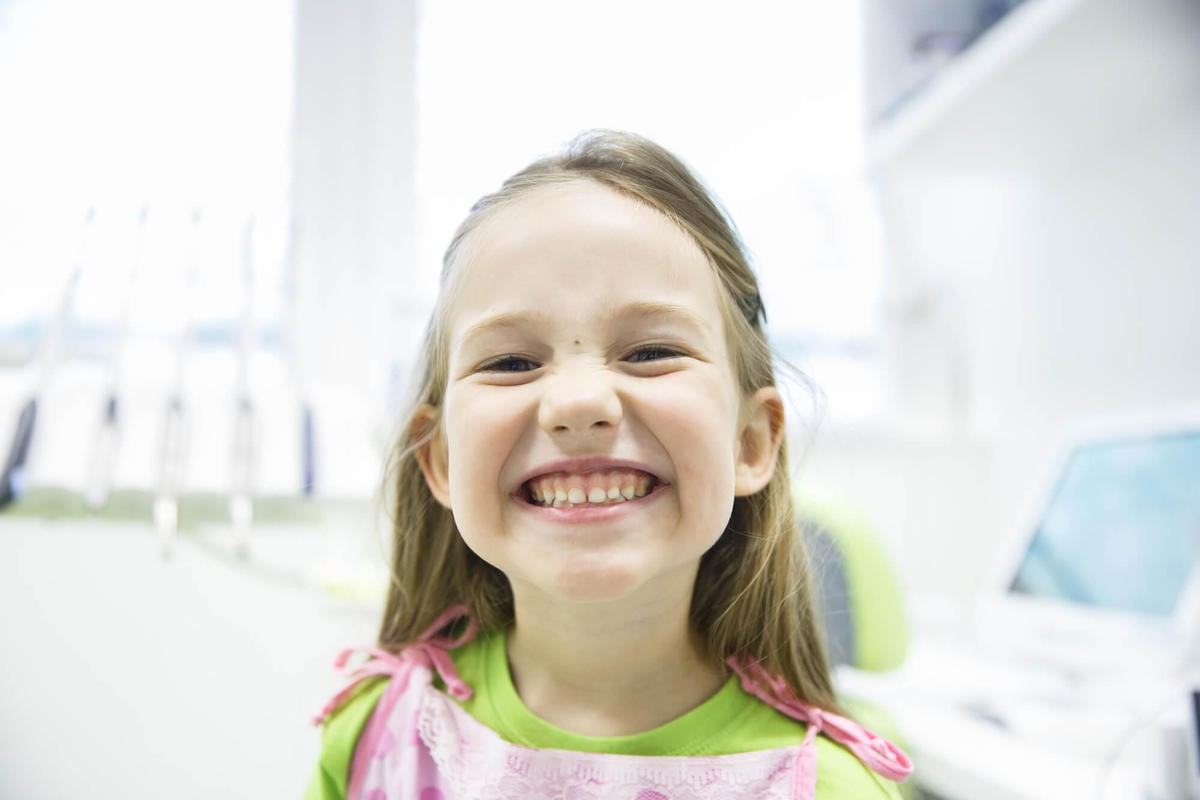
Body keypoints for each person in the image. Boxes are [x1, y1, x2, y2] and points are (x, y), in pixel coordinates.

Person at [304, 129, 913, 799]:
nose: (579, 401)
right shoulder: (374, 740)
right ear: (441, 458)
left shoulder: (832, 789)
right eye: (511, 362)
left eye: (650, 351)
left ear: (750, 443)